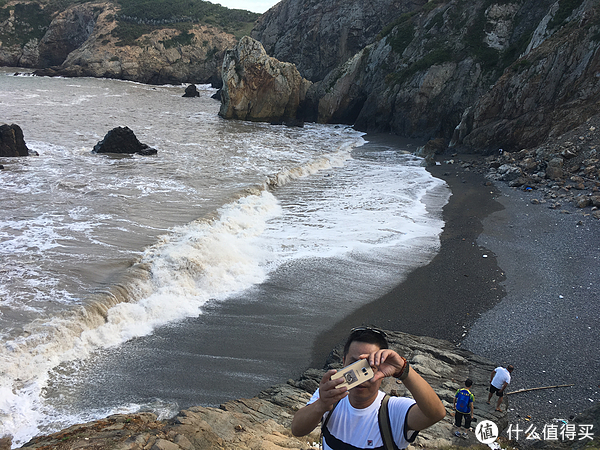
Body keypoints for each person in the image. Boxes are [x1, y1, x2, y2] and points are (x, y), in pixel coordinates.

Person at [291, 327, 446, 449]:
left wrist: (403, 370)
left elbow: (436, 414)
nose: (361, 375)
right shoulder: (330, 398)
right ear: (343, 363)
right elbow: (297, 429)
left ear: (383, 367)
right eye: (354, 364)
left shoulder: (393, 411)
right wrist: (321, 405)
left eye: (370, 365)